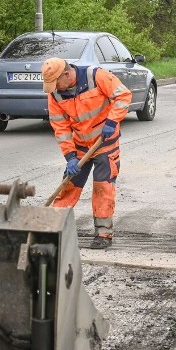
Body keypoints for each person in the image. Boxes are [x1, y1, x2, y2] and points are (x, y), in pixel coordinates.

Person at [42, 57, 132, 249]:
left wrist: (112, 121)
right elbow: (61, 127)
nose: (55, 88)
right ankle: (52, 230)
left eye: (56, 82)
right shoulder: (55, 95)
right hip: (80, 146)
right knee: (68, 187)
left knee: (103, 187)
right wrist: (69, 157)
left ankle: (103, 233)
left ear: (67, 74)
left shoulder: (96, 76)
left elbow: (123, 96)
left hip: (105, 143)